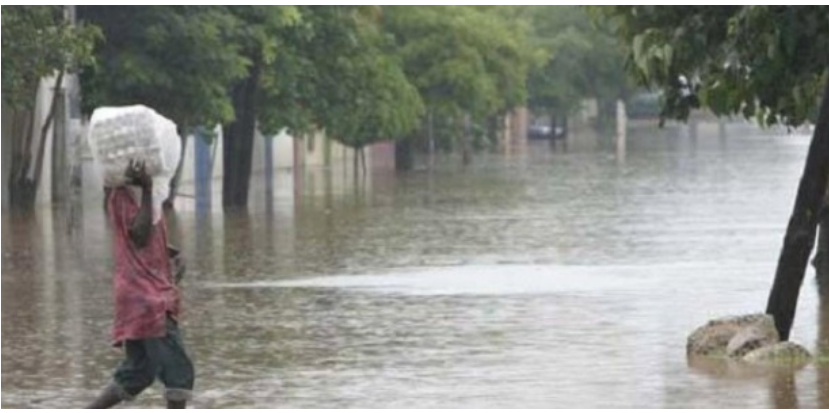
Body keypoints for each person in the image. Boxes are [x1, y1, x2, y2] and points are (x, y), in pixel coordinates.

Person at [87, 160, 194, 409]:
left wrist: (171, 254)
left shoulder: (132, 197)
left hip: (137, 297)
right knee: (179, 372)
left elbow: (141, 241)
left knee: (139, 371)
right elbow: (138, 234)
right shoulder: (124, 196)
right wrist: (146, 190)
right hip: (148, 300)